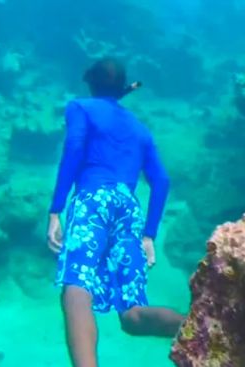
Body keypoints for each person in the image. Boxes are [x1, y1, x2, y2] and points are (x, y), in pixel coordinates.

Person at [47, 57, 185, 367]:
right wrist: (149, 234)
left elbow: (74, 148)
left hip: (93, 199)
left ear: (91, 83)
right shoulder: (140, 129)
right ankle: (207, 330)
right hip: (129, 209)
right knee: (132, 316)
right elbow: (161, 181)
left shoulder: (79, 107)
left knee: (77, 286)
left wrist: (56, 209)